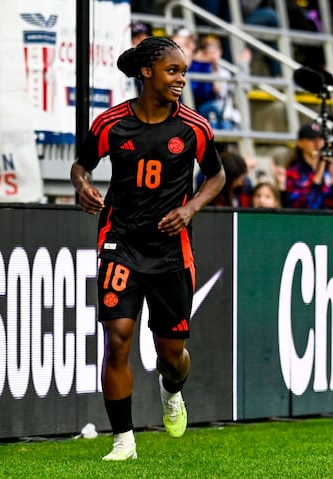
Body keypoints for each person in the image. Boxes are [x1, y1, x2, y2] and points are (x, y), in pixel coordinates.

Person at [70, 36, 225, 461]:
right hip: (120, 241)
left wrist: (190, 208)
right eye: (173, 71)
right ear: (146, 72)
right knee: (117, 338)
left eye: (183, 72)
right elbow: (82, 165)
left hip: (172, 250)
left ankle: (171, 390)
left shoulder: (194, 127)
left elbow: (216, 175)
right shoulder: (111, 123)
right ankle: (123, 441)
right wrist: (82, 185)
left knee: (171, 355)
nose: (181, 80)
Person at [284, 122, 333, 210]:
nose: (317, 144)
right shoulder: (292, 173)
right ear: (300, 143)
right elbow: (306, 205)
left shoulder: (331, 168)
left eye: (320, 139)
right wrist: (319, 175)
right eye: (312, 139)